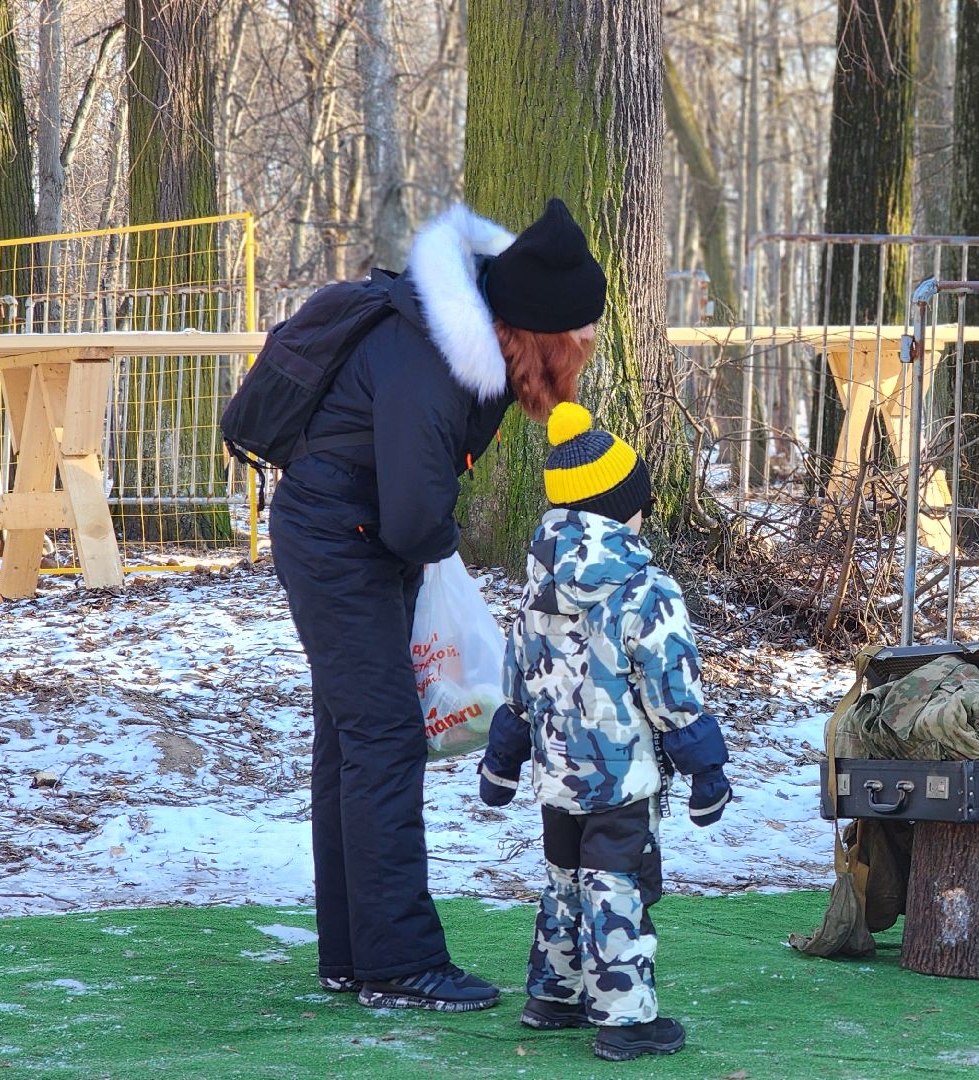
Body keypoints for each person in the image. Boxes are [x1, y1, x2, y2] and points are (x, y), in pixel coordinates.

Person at [269, 197, 605, 1011]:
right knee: (382, 739)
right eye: (581, 337)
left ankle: (353, 954)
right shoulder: (431, 359)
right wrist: (444, 550)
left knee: (352, 742)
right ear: (540, 334)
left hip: (348, 532)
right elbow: (417, 515)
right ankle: (397, 960)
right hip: (337, 541)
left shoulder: (458, 337)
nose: (589, 349)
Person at [476, 402, 733, 1062]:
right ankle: (624, 1019)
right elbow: (672, 690)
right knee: (616, 884)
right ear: (623, 510)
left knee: (563, 878)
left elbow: (518, 685)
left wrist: (502, 761)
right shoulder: (645, 590)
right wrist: (706, 769)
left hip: (556, 776)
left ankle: (552, 994)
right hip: (621, 778)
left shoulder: (536, 589)